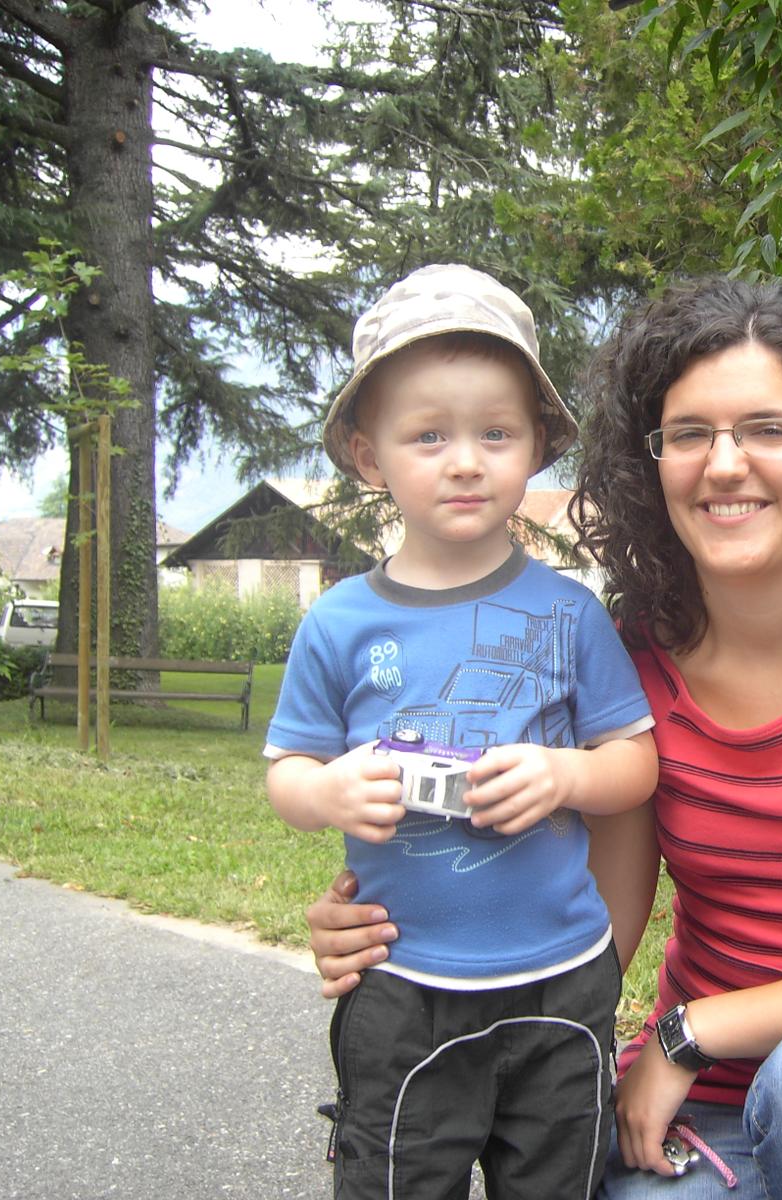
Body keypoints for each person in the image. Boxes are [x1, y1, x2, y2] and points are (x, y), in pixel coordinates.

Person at [308, 277, 782, 1200]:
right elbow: (596, 909)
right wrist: (412, 940)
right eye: (690, 434)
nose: (724, 464)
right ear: (653, 464)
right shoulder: (635, 658)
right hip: (709, 1099)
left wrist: (690, 1032)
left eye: (768, 429)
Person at [267, 262, 659, 1199]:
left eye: (496, 433)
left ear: (536, 447)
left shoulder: (569, 613)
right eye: (428, 435)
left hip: (561, 981)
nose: (466, 461)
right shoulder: (339, 622)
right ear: (369, 457)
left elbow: (635, 762)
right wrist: (328, 792)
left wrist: (565, 776)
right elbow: (287, 772)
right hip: (402, 983)